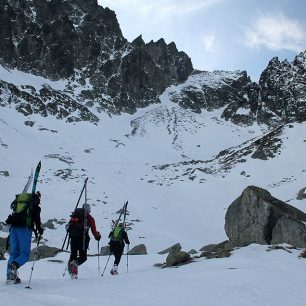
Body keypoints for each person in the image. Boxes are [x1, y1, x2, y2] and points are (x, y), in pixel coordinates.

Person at [5, 191, 44, 284]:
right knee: (25, 254)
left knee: (14, 253)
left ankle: (10, 276)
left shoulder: (19, 204)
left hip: (13, 228)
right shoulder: (36, 207)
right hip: (24, 229)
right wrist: (39, 229)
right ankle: (14, 266)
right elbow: (37, 221)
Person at [67, 203, 101, 278]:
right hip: (83, 238)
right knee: (83, 257)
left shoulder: (75, 215)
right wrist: (97, 236)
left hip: (73, 237)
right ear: (89, 210)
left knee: (73, 255)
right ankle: (74, 265)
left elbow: (69, 226)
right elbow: (93, 230)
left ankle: (73, 272)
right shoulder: (89, 218)